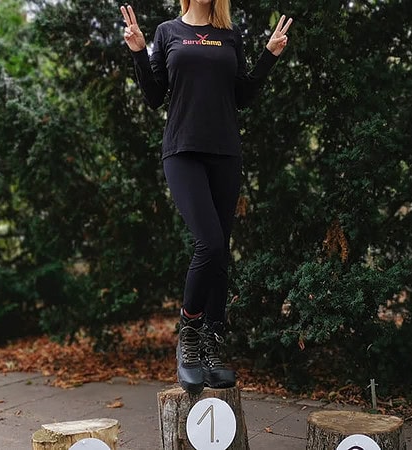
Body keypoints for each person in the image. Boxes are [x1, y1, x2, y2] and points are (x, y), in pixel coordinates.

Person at [120, 1, 292, 394]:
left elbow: (243, 96)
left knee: (221, 251)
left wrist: (269, 56)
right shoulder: (167, 32)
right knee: (209, 243)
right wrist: (137, 52)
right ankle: (190, 334)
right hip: (182, 151)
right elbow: (153, 95)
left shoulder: (230, 36)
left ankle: (213, 346)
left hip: (225, 153)